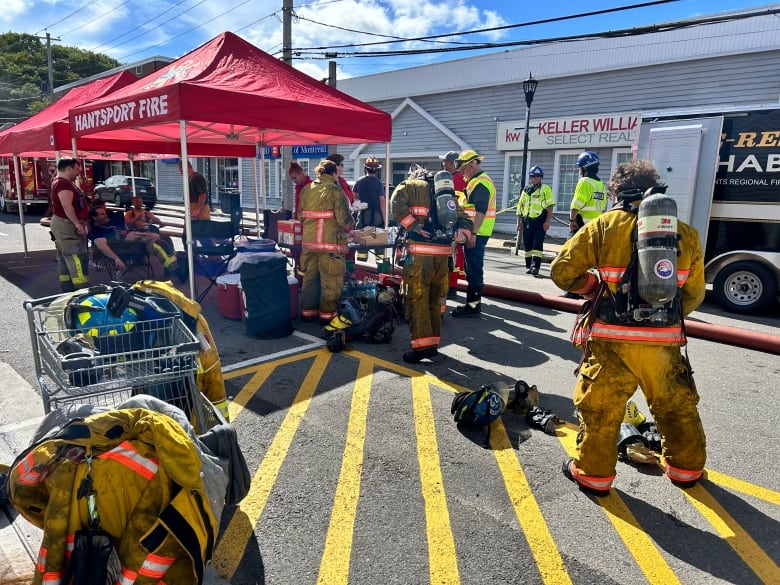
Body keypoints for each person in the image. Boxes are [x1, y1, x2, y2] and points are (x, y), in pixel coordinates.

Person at [550, 159, 707, 497]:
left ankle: (593, 476)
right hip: (664, 343)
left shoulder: (603, 227)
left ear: (618, 192)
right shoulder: (686, 233)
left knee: (602, 410)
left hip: (611, 341)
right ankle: (686, 470)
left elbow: (561, 272)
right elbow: (693, 295)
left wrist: (593, 286)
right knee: (675, 406)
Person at [391, 165, 473, 363]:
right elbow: (464, 219)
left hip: (420, 256)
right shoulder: (446, 194)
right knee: (435, 301)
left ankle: (421, 349)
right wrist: (463, 233)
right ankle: (432, 344)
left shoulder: (409, 186)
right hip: (443, 257)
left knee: (417, 299)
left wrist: (413, 225)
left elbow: (395, 205)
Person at [296, 159, 354, 323]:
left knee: (310, 280)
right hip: (329, 245)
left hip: (309, 244)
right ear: (333, 173)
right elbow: (344, 220)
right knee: (331, 280)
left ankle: (308, 314)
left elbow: (300, 216)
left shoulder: (306, 190)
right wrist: (351, 222)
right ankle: (328, 317)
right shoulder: (335, 191)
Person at [451, 150, 496, 317]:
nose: (462, 174)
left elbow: (480, 211)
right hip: (475, 231)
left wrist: (474, 233)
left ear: (470, 166)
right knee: (472, 269)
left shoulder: (480, 183)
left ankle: (473, 307)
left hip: (477, 232)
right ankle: (472, 306)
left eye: (463, 170)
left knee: (474, 269)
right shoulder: (477, 181)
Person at [89, 205, 185, 281]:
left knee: (166, 238)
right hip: (126, 247)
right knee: (158, 243)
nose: (106, 215)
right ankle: (174, 270)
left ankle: (171, 267)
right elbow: (101, 246)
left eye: (105, 213)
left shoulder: (109, 225)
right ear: (94, 217)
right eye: (102, 214)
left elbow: (127, 231)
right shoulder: (97, 231)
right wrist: (116, 258)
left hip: (133, 238)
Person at [49, 157, 90, 292]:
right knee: (75, 256)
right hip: (66, 224)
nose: (78, 172)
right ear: (68, 169)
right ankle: (81, 289)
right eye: (76, 169)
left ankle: (67, 288)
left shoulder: (63, 182)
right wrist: (78, 224)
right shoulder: (63, 184)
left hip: (64, 223)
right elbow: (67, 206)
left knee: (65, 257)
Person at [516, 166, 554, 277]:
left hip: (540, 221)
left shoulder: (545, 189)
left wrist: (547, 221)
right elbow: (520, 206)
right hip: (527, 220)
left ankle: (535, 267)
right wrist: (518, 222)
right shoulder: (526, 190)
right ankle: (528, 266)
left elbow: (550, 206)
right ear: (530, 178)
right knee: (527, 243)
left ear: (541, 177)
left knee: (538, 243)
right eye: (533, 176)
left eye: (537, 176)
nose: (535, 178)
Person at [440, 151, 468, 299]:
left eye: (444, 162)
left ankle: (451, 287)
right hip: (464, 223)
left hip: (453, 222)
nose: (443, 165)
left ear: (450, 163)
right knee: (458, 255)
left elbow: (450, 204)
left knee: (452, 255)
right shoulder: (463, 178)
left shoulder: (453, 179)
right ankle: (453, 286)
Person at [352, 156, 386, 264]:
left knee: (362, 241)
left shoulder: (359, 181)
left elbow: (353, 198)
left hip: (362, 217)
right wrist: (385, 220)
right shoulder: (378, 183)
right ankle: (380, 267)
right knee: (379, 241)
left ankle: (362, 266)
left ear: (365, 169)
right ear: (376, 170)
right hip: (377, 218)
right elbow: (382, 201)